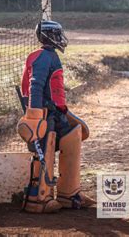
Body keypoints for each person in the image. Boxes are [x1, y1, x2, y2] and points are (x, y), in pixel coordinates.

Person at [17, 20, 95, 213]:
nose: (62, 38)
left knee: (73, 135)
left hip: (55, 112)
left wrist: (65, 112)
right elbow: (35, 86)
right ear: (50, 37)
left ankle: (70, 194)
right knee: (46, 148)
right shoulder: (44, 57)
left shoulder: (48, 55)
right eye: (58, 34)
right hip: (45, 114)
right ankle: (38, 199)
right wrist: (35, 117)